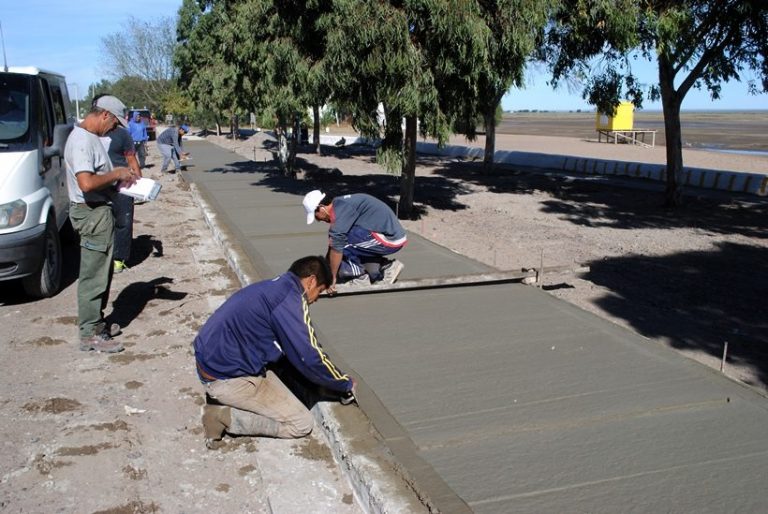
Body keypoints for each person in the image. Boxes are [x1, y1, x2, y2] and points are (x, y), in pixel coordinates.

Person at [194, 256, 356, 446]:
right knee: (301, 424)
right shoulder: (290, 300)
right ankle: (222, 417)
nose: (317, 299)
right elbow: (309, 356)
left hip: (212, 360)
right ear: (311, 281)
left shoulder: (273, 287)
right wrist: (344, 383)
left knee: (287, 364)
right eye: (319, 291)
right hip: (225, 379)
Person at [64, 95, 138, 353]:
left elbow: (96, 177)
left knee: (102, 271)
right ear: (105, 115)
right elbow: (86, 183)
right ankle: (89, 334)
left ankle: (97, 324)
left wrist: (120, 180)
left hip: (99, 210)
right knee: (94, 274)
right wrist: (117, 173)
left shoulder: (91, 138)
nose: (114, 130)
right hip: (91, 213)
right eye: (115, 124)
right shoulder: (82, 141)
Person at [302, 190, 407, 292]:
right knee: (339, 241)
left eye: (315, 215)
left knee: (342, 242)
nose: (318, 220)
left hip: (391, 239)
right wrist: (326, 273)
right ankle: (387, 267)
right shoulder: (340, 207)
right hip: (380, 234)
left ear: (321, 208)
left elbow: (336, 246)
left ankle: (359, 279)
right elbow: (332, 245)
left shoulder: (341, 211)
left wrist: (332, 278)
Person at [103, 114, 142, 274]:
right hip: (100, 184)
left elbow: (131, 159)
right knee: (105, 222)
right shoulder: (91, 135)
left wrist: (139, 184)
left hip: (123, 185)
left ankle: (119, 259)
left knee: (123, 221)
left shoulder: (122, 134)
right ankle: (104, 257)